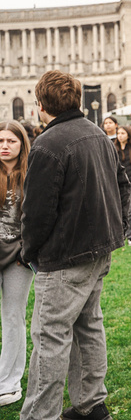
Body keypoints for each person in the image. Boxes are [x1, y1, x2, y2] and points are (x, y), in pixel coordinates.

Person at [19, 70, 130, 420]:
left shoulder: (48, 144)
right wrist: (119, 231)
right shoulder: (97, 133)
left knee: (50, 339)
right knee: (88, 326)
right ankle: (91, 403)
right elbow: (123, 185)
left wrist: (29, 251)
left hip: (65, 256)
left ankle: (41, 414)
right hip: (98, 249)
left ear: (40, 105)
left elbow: (36, 212)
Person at [0, 121, 34, 408]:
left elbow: (39, 216)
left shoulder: (32, 175)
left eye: (11, 140)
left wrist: (27, 252)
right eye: (0, 140)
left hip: (17, 258)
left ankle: (8, 383)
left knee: (13, 318)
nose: (4, 145)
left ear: (21, 144)